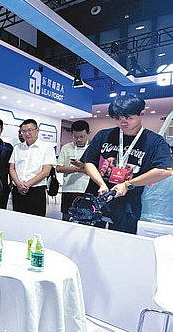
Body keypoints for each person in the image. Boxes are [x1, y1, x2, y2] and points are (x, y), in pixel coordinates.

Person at [81, 94, 173, 234]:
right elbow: (89, 162)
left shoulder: (154, 141)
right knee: (88, 236)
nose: (122, 122)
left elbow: (165, 170)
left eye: (129, 118)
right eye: (117, 118)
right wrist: (101, 183)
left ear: (142, 113)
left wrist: (127, 184)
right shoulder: (103, 135)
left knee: (121, 240)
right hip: (98, 197)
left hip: (128, 203)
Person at [9, 119, 56, 216]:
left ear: (37, 130)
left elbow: (45, 172)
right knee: (17, 218)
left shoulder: (47, 148)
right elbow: (12, 168)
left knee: (36, 219)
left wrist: (27, 185)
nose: (27, 134)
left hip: (36, 190)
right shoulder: (17, 148)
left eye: (30, 130)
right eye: (23, 131)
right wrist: (18, 184)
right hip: (17, 190)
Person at [56, 120, 91, 221]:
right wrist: (76, 169)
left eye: (82, 136)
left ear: (88, 133)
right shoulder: (66, 148)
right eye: (75, 137)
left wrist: (83, 168)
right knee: (66, 216)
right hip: (68, 189)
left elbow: (98, 171)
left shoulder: (93, 148)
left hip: (87, 189)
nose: (78, 139)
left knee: (85, 219)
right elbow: (58, 168)